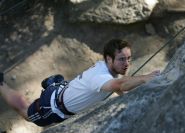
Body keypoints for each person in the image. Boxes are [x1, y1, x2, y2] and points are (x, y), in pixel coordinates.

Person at [0, 39, 160, 127]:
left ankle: (53, 83)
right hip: (53, 106)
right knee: (27, 113)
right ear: (109, 59)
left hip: (63, 92)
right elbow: (119, 85)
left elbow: (118, 84)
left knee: (67, 88)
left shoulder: (106, 69)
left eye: (129, 58)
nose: (127, 63)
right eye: (122, 59)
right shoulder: (100, 77)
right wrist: (145, 78)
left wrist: (123, 94)